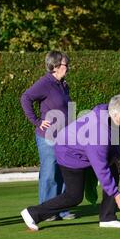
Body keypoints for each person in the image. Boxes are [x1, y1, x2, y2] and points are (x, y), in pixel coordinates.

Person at [20, 94, 120, 231]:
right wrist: (115, 194)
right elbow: (101, 168)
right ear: (115, 113)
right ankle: (32, 213)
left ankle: (107, 218)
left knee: (113, 168)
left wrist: (115, 158)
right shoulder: (98, 134)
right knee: (74, 196)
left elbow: (113, 143)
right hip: (68, 153)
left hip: (82, 149)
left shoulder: (113, 119)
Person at [20, 51, 75, 221]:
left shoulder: (63, 85)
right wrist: (37, 121)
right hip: (48, 137)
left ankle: (63, 209)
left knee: (64, 173)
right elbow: (26, 98)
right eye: (66, 64)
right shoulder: (45, 83)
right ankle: (46, 211)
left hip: (65, 137)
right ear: (56, 66)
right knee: (50, 174)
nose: (68, 68)